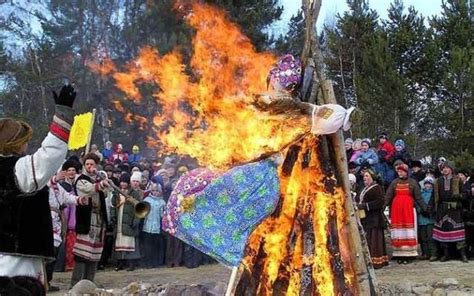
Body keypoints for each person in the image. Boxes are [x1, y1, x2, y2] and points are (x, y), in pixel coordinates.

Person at [0, 84, 76, 294]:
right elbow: (49, 156)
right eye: (24, 141)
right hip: (14, 259)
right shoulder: (13, 169)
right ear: (15, 144)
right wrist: (62, 115)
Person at [71, 153, 111, 287]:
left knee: (94, 254)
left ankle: (89, 284)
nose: (89, 166)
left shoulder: (99, 178)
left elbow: (105, 193)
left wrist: (105, 182)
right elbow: (87, 189)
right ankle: (75, 285)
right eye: (87, 164)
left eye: (92, 164)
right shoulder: (80, 179)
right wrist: (100, 184)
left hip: (99, 220)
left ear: (96, 165)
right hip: (87, 220)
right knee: (82, 254)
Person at [46, 172, 86, 292]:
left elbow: (67, 197)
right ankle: (42, 281)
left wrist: (79, 199)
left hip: (57, 222)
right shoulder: (44, 184)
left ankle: (47, 281)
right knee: (47, 254)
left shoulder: (59, 187)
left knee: (54, 254)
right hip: (46, 219)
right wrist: (54, 179)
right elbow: (44, 185)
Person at [386, 163, 427, 264]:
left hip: (408, 210)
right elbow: (388, 196)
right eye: (398, 171)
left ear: (406, 172)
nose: (399, 173)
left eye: (401, 171)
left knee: (408, 231)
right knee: (398, 232)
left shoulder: (413, 183)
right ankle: (399, 254)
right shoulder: (394, 183)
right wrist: (382, 206)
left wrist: (425, 208)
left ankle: (409, 254)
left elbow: (418, 198)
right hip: (397, 211)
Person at [432, 162, 467, 262]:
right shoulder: (437, 181)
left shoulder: (457, 180)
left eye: (447, 168)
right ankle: (446, 254)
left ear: (451, 169)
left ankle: (462, 254)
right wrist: (431, 206)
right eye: (443, 168)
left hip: (455, 209)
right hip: (442, 209)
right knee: (444, 232)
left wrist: (460, 197)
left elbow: (464, 193)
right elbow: (434, 196)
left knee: (458, 233)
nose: (445, 170)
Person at [355, 169, 388, 269]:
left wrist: (365, 206)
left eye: (367, 176)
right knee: (369, 239)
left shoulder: (376, 188)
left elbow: (380, 202)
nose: (365, 178)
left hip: (375, 218)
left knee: (375, 240)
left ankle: (377, 261)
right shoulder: (364, 188)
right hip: (366, 218)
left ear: (372, 177)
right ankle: (369, 260)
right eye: (364, 176)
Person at [111, 173, 142, 271]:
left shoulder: (133, 193)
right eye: (122, 182)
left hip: (129, 220)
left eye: (125, 182)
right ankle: (120, 263)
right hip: (119, 220)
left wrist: (136, 221)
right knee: (119, 242)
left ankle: (131, 263)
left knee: (129, 243)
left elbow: (138, 208)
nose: (123, 184)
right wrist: (113, 216)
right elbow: (113, 205)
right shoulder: (116, 192)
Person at [142, 183, 167, 268]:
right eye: (153, 190)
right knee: (147, 246)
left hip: (157, 227)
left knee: (155, 245)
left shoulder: (162, 202)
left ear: (160, 192)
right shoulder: (147, 200)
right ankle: (147, 262)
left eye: (157, 191)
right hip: (147, 226)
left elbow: (162, 216)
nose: (155, 192)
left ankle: (155, 262)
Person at [417, 177, 437, 260]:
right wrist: (420, 210)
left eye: (429, 183)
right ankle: (425, 253)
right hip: (421, 219)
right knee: (423, 237)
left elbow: (434, 205)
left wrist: (429, 211)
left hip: (430, 219)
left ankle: (433, 253)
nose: (427, 185)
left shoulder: (433, 194)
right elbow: (417, 203)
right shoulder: (421, 194)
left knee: (431, 237)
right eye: (426, 183)